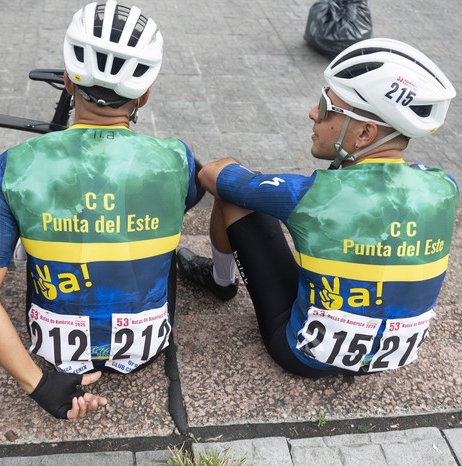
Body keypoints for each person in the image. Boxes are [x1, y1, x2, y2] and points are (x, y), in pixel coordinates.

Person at [0, 0, 204, 419]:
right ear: (145, 93)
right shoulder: (178, 158)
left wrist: (38, 384)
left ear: (69, 81)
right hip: (146, 348)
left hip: (53, 351)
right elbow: (192, 199)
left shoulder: (13, 165)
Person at [178, 38, 458, 377]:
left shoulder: (311, 194)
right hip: (388, 357)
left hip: (304, 355)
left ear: (364, 134)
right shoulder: (445, 186)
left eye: (326, 107)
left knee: (236, 194)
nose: (313, 113)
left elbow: (213, 174)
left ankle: (220, 281)